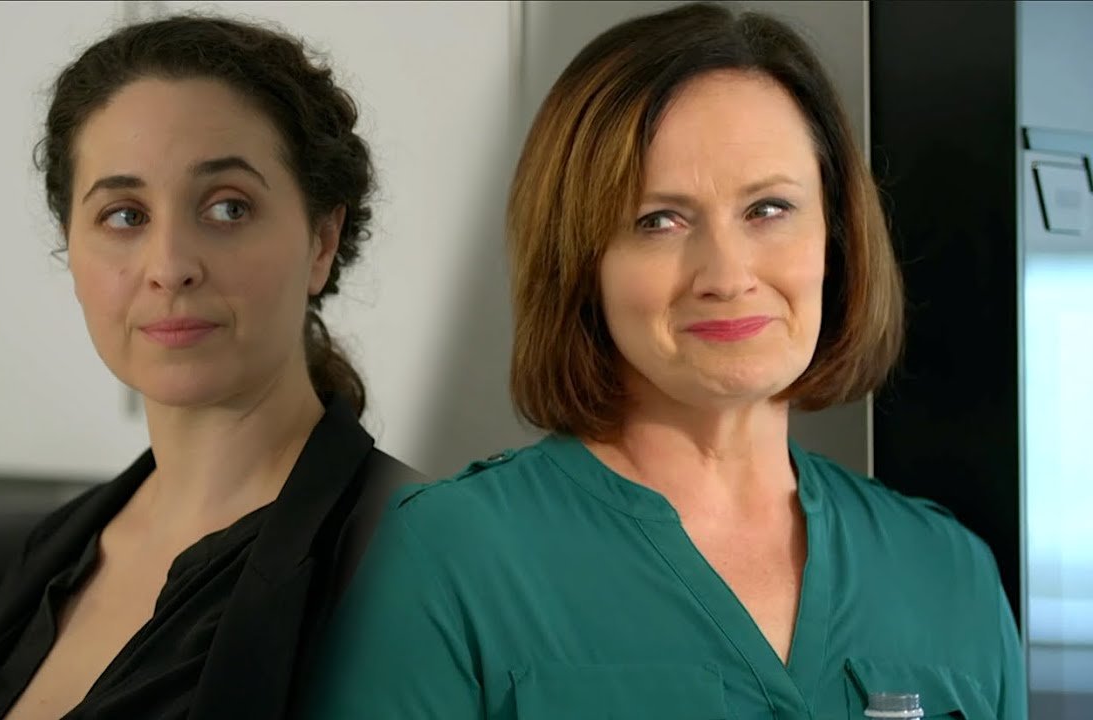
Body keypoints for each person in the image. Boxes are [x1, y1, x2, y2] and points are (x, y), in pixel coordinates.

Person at [307, 3, 1025, 719]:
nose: (727, 275)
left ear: (836, 236)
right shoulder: (446, 558)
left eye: (769, 209)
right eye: (659, 221)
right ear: (580, 263)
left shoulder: (949, 571)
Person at [0, 14, 422, 720]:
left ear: (321, 241)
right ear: (72, 248)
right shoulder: (61, 545)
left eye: (227, 208)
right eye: (125, 216)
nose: (170, 266)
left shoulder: (414, 563)